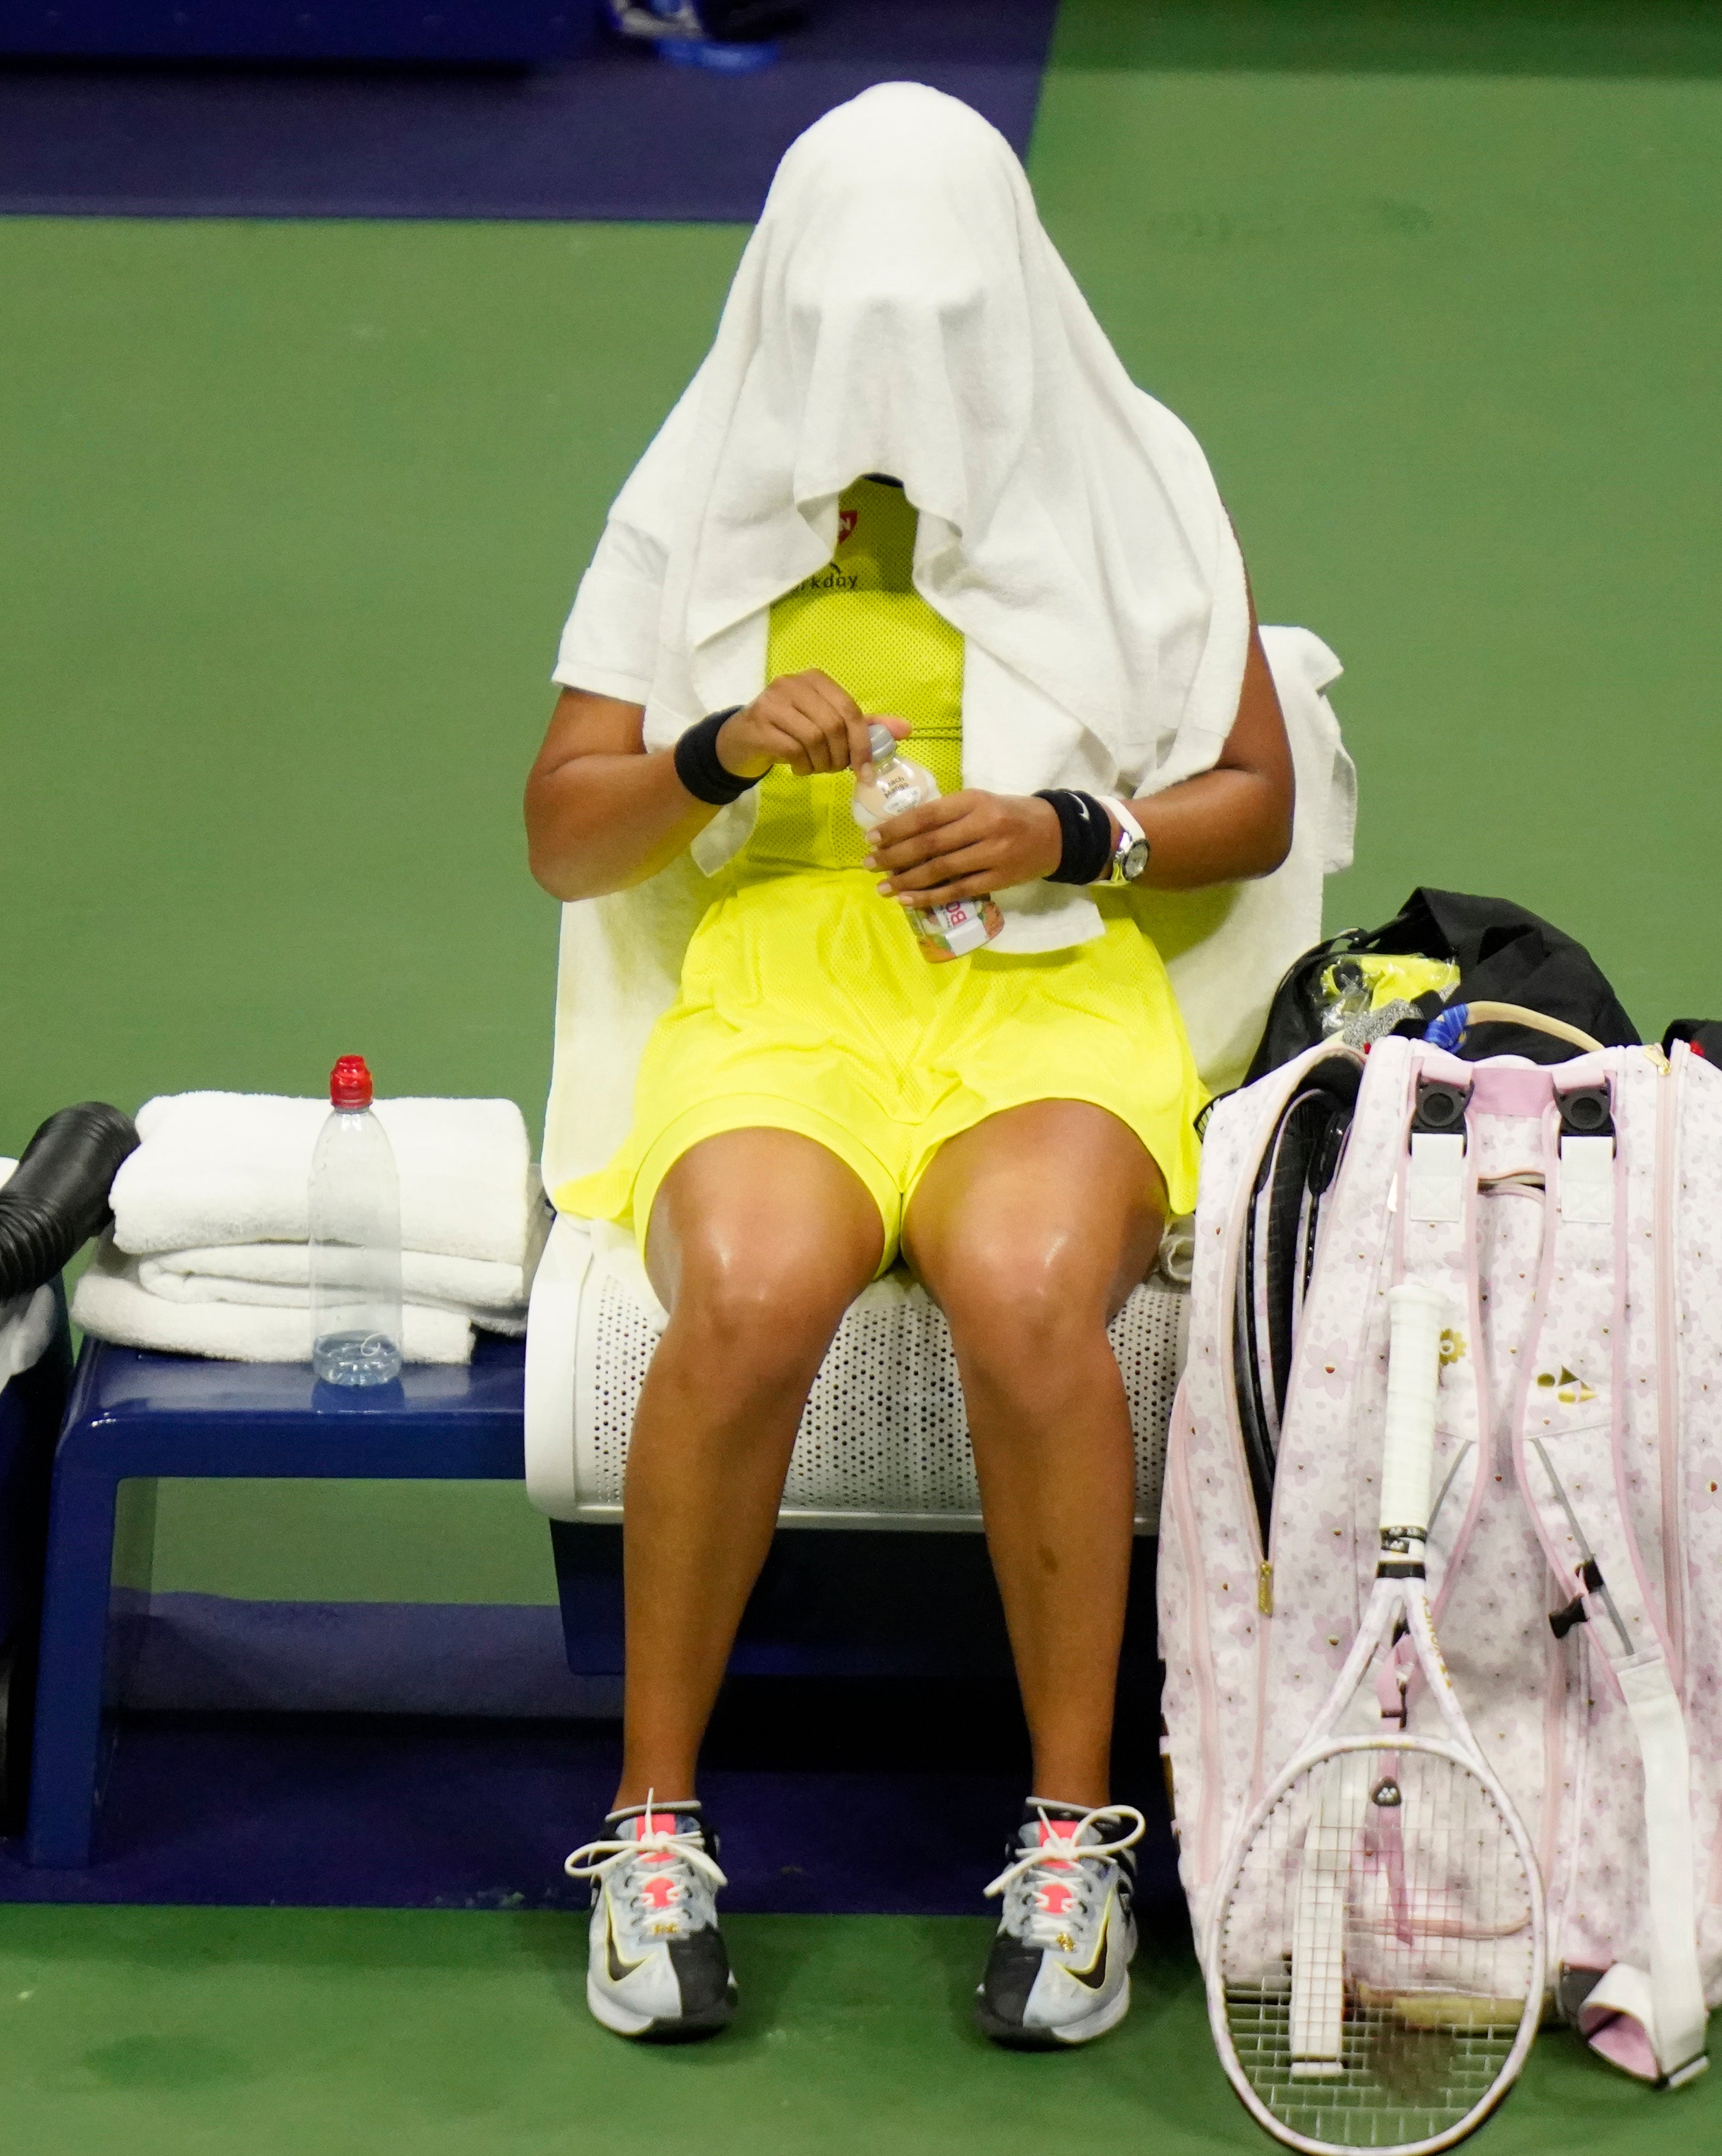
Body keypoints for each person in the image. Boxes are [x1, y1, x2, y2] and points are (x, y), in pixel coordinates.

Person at [524, 82, 1300, 2049]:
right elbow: (565, 831)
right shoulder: (689, 492)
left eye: (934, 346)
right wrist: (712, 754)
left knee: (1035, 1291)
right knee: (761, 1288)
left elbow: (1255, 801)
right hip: (786, 975)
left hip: (1041, 976)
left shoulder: (1142, 469)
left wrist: (1070, 831)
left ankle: (1073, 1840)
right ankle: (652, 1823)